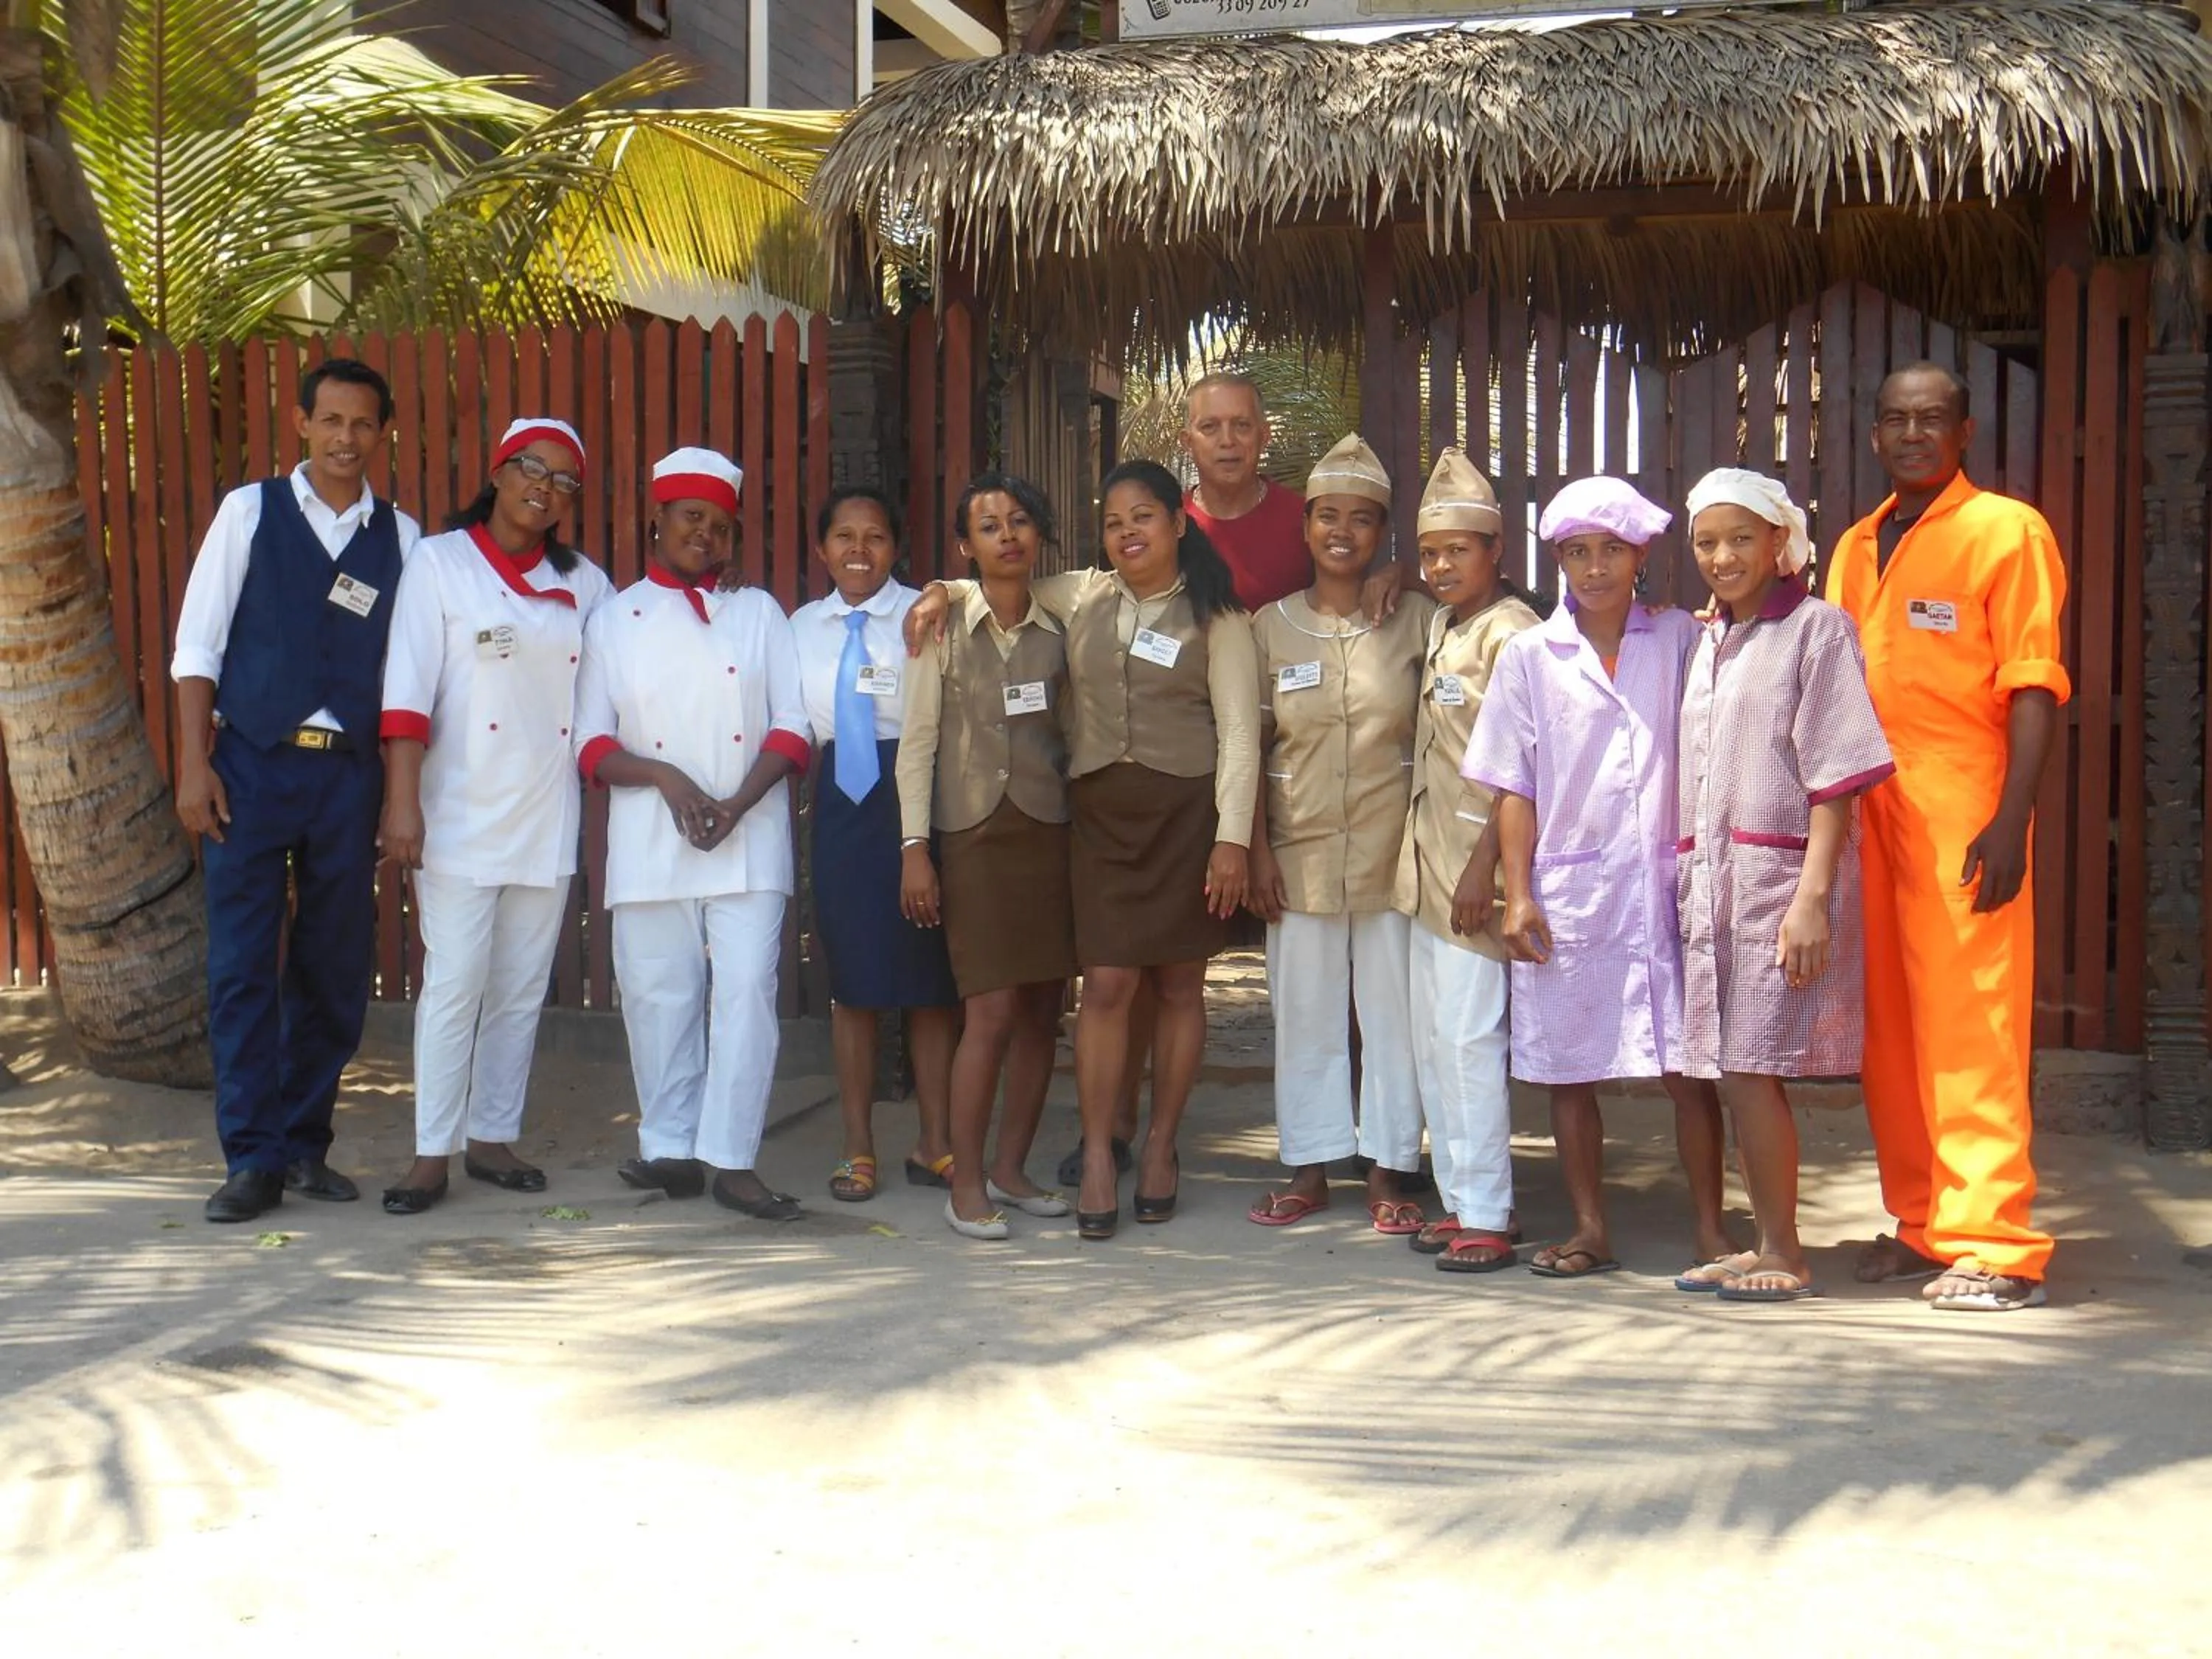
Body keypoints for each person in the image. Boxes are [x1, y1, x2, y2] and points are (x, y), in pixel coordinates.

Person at [906, 459, 1258, 1239]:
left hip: (1185, 814)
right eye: (1113, 521)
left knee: (1177, 988)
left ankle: (1162, 1144)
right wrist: (941, 591)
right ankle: (1099, 1151)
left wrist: (1232, 838)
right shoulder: (1081, 594)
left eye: (1144, 516)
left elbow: (1240, 733)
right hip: (1098, 816)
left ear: (1178, 522)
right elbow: (996, 581)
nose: (1128, 531)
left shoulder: (1220, 615)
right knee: (1104, 987)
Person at [1825, 363, 2069, 1312]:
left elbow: (2036, 681)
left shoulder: (2006, 531)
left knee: (1974, 1025)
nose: (1913, 432)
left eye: (1932, 418)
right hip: (1869, 819)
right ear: (1875, 433)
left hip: (1967, 816)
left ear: (1965, 433)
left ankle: (1998, 1243)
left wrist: (2012, 819)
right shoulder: (1854, 545)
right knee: (1889, 1032)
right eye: (1896, 418)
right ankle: (1926, 1223)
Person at [1456, 476, 1736, 1279]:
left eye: (1611, 550)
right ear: (1559, 561)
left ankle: (1712, 1229)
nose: (1595, 568)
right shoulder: (1530, 657)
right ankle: (1589, 1229)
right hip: (1570, 889)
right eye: (1578, 552)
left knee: (1688, 1070)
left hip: (1666, 888)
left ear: (1641, 554)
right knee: (1569, 1069)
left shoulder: (1684, 638)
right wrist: (1519, 892)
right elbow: (1515, 785)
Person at [172, 359, 420, 1223]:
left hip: (347, 777)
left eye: (363, 425)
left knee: (333, 968)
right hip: (250, 767)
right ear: (302, 424)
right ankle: (251, 1157)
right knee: (242, 965)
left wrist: (397, 795)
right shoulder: (250, 513)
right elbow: (197, 649)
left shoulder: (405, 538)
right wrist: (193, 765)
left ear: (381, 435)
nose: (346, 438)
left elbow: (406, 681)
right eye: (332, 421)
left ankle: (305, 1144)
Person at [375, 417, 613, 1214]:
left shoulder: (587, 584)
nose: (545, 488)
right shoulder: (439, 563)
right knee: (455, 983)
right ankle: (430, 1151)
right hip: (458, 809)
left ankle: (492, 1136)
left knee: (518, 987)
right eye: (532, 469)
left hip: (546, 810)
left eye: (564, 480)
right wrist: (403, 802)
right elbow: (407, 690)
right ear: (500, 470)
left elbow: (624, 671)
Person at [573, 448, 813, 1220]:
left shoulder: (760, 613)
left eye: (718, 524)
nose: (703, 534)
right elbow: (591, 743)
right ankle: (671, 1146)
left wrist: (738, 804)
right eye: (689, 518)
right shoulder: (613, 619)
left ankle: (734, 1159)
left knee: (745, 994)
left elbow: (793, 725)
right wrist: (669, 781)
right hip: (650, 839)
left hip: (750, 835)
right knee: (658, 994)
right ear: (657, 522)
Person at [1673, 469, 1894, 1304]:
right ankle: (1766, 1239)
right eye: (1705, 542)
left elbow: (1837, 776)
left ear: (1779, 543)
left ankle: (1786, 1251)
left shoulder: (1817, 630)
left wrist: (1811, 898)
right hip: (1716, 886)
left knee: (1752, 1066)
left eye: (1739, 539)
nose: (1722, 556)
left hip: (1779, 885)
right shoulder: (1713, 641)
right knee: (1732, 1067)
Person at [1245, 435, 1432, 1234]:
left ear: (1382, 532)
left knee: (1394, 1017)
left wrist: (1416, 575)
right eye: (1328, 517)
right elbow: (1246, 747)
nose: (1343, 532)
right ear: (1307, 526)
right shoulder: (1268, 628)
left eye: (1362, 520)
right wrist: (1252, 848)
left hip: (1396, 854)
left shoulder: (1418, 618)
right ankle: (1310, 1164)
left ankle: (1390, 1169)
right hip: (1300, 853)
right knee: (1307, 1011)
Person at [896, 473, 1078, 1241]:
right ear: (965, 546)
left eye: (1020, 522)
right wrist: (915, 850)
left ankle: (1012, 1168)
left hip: (1049, 832)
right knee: (991, 1010)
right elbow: (918, 744)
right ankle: (963, 1180)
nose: (1008, 535)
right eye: (989, 526)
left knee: (1042, 1011)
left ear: (1039, 535)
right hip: (971, 836)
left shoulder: (1065, 617)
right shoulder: (940, 624)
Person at [790, 489, 960, 1203]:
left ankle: (937, 1143)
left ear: (896, 546)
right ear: (822, 549)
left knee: (928, 983)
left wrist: (950, 588)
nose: (859, 550)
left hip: (914, 789)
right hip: (841, 802)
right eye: (844, 537)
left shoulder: (925, 611)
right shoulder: (798, 627)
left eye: (876, 537)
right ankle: (857, 1148)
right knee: (852, 987)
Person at [1404, 448, 1541, 1273]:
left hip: (1474, 872)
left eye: (1459, 550)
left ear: (1497, 552)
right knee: (1436, 1041)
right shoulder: (1439, 622)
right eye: (1429, 553)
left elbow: (1522, 768)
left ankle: (1489, 1211)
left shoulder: (1513, 635)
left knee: (1470, 1039)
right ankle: (1460, 1199)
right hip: (1426, 865)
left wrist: (1484, 870)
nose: (1442, 565)